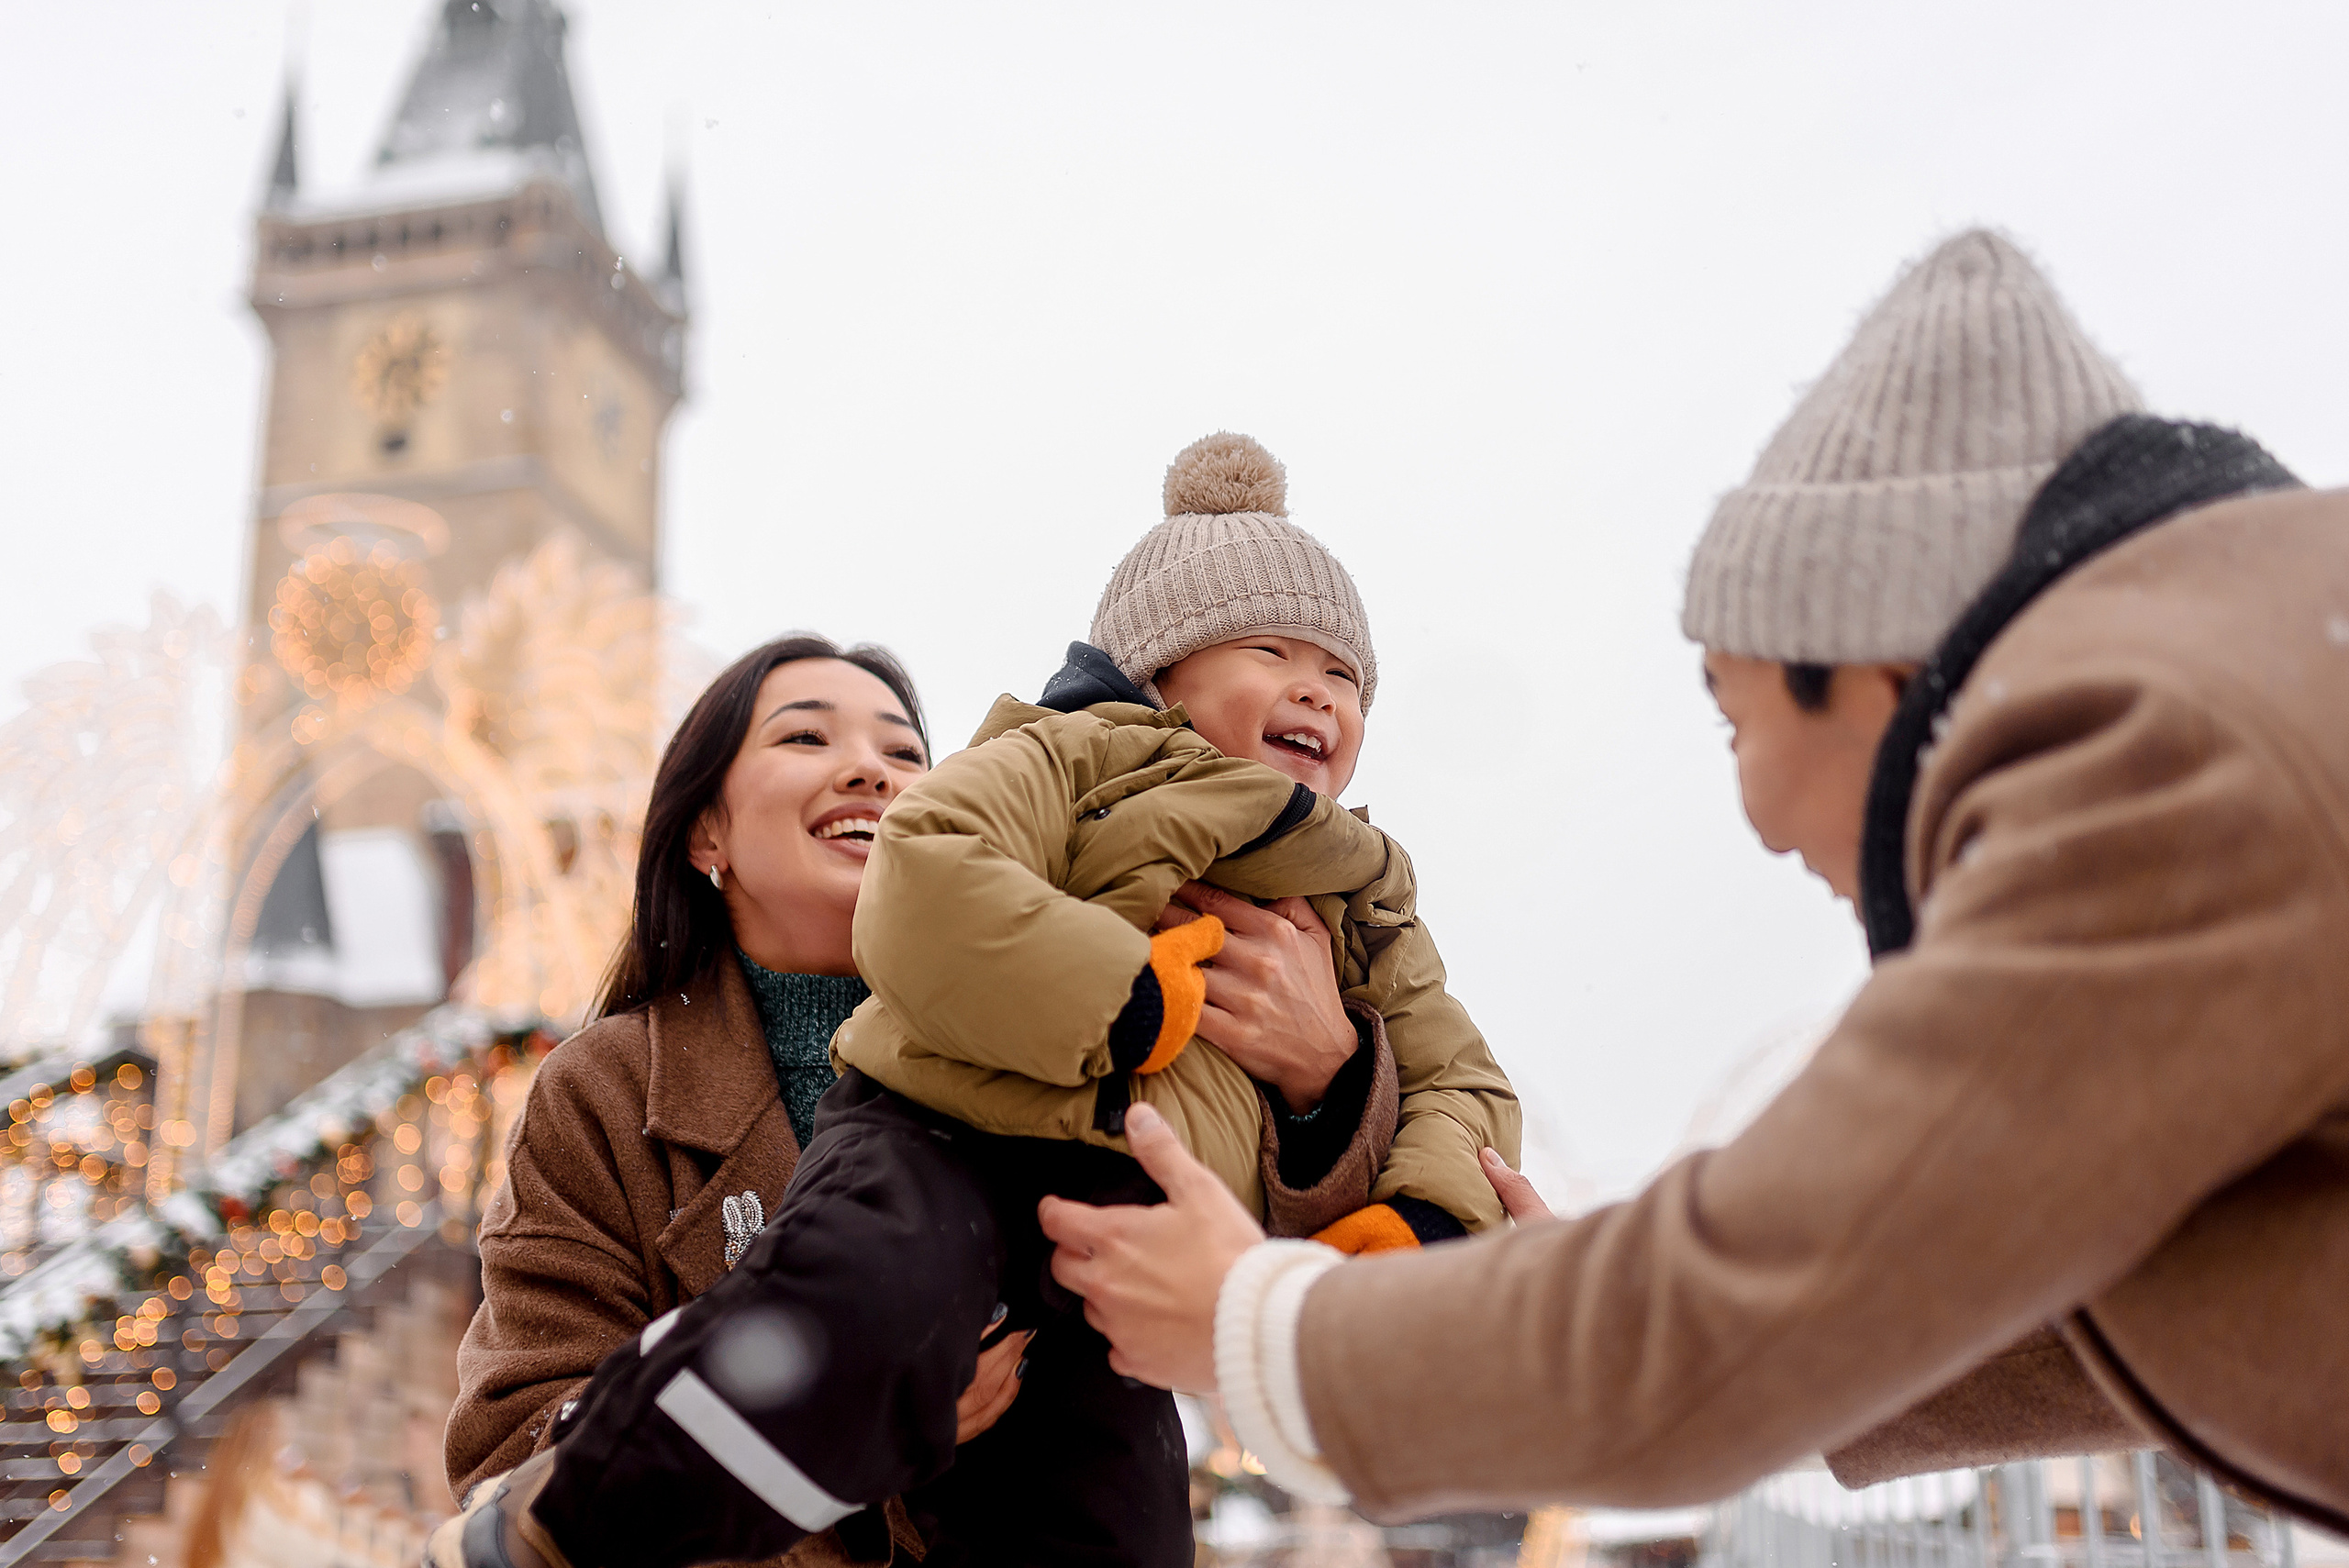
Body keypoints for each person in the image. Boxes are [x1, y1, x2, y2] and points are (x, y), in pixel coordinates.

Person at [1041, 229, 2349, 1533]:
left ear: (1873, 659)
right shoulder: (2267, 685)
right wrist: (1587, 1297)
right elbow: (1998, 1283)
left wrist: (1263, 1330)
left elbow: (1754, 1307)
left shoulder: (2166, 767)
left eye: (1732, 716)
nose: (1763, 823)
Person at [435, 631, 1403, 1566]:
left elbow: (1283, 1272)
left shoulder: (1073, 1016)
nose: (870, 771)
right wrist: (839, 1437)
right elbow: (514, 1448)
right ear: (705, 828)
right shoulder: (604, 1091)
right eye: (805, 736)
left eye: (905, 752)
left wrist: (1324, 1073)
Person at [835, 429, 1520, 1250]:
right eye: (1270, 651)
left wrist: (1421, 1217)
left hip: (1147, 1233)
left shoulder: (1363, 891)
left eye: (1344, 675)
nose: (1318, 690)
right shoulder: (1076, 759)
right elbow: (929, 864)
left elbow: (1459, 1078)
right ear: (1158, 675)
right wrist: (1126, 995)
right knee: (846, 1316)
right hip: (944, 1146)